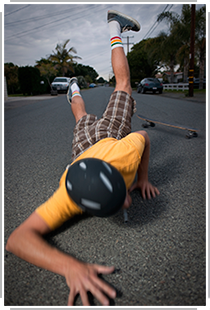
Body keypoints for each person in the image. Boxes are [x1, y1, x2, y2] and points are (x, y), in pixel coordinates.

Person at [6, 10, 160, 306]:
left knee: (119, 85)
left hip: (101, 141)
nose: (129, 202)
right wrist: (70, 267)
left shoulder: (118, 160)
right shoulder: (69, 191)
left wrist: (142, 178)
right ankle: (83, 73)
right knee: (105, 98)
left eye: (125, 199)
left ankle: (105, 42)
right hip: (83, 149)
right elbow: (15, 241)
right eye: (126, 200)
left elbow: (145, 137)